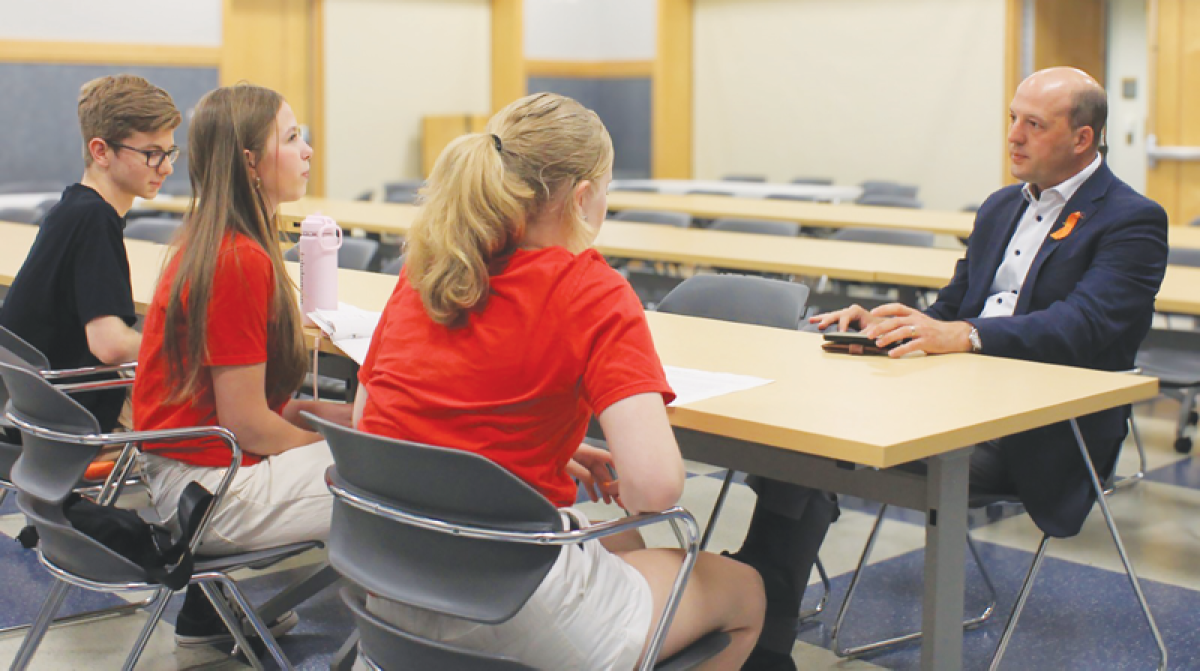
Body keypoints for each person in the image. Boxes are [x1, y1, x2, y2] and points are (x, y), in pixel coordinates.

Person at [732, 66, 1169, 670]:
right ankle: (760, 613)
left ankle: (755, 609)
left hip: (1039, 427)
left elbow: (1086, 326)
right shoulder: (999, 208)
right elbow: (953, 310)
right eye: (1012, 118)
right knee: (804, 430)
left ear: (1082, 139)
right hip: (951, 396)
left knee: (822, 446)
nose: (1013, 135)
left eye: (1033, 124)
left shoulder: (1131, 219)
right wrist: (893, 323)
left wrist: (962, 333)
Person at [353, 92, 765, 670]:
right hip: (507, 604)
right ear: (582, 197)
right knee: (746, 591)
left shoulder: (426, 269)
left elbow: (369, 423)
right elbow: (654, 491)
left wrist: (545, 445)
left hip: (390, 583)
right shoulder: (591, 291)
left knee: (619, 539)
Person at [132, 84, 353, 647]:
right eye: (292, 137)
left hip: (185, 472)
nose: (307, 151)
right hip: (208, 489)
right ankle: (414, 640)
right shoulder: (237, 260)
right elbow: (248, 425)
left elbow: (249, 406)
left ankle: (209, 612)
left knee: (365, 435)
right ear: (250, 162)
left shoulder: (216, 243)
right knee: (402, 480)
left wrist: (323, 416)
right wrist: (351, 445)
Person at [0, 74, 179, 432]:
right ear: (101, 151)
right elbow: (111, 345)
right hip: (68, 424)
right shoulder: (95, 218)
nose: (167, 167)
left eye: (170, 152)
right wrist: (184, 354)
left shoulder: (72, 208)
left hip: (28, 414)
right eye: (151, 154)